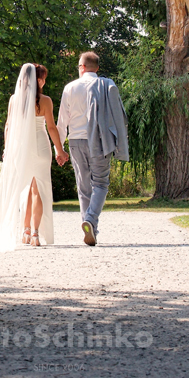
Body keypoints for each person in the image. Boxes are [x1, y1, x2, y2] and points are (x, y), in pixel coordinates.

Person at [0, 63, 69, 252]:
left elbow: (8, 126)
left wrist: (8, 149)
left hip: (21, 147)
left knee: (21, 188)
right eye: (44, 78)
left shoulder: (15, 100)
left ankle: (24, 230)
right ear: (38, 80)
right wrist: (60, 151)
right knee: (38, 189)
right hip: (40, 145)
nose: (45, 82)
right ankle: (35, 234)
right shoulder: (46, 101)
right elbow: (51, 128)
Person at [56, 51, 129, 246]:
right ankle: (90, 221)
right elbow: (116, 113)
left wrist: (59, 150)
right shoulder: (107, 85)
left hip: (76, 141)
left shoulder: (70, 88)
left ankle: (90, 227)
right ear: (97, 68)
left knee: (83, 187)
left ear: (81, 67)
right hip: (99, 139)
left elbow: (62, 121)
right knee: (101, 184)